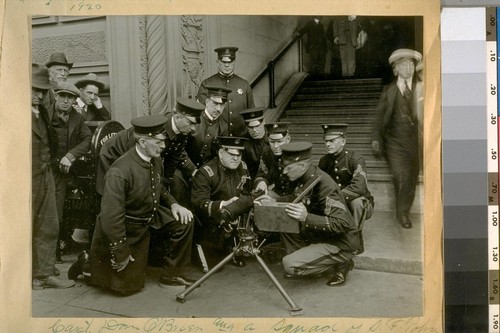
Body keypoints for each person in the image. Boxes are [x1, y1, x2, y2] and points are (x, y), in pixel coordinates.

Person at [88, 115, 195, 294]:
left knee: (184, 221)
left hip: (147, 217)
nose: (163, 146)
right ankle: (86, 264)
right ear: (143, 142)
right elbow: (111, 217)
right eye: (159, 142)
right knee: (127, 289)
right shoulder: (119, 171)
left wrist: (174, 204)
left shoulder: (156, 159)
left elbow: (159, 187)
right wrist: (120, 252)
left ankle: (171, 275)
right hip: (127, 228)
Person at [257, 142, 358, 286]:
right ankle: (309, 261)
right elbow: (295, 199)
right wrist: (274, 200)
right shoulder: (305, 177)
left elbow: (342, 224)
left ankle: (342, 262)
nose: (284, 172)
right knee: (284, 218)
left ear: (302, 166)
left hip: (340, 242)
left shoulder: (325, 186)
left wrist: (306, 217)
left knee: (289, 264)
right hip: (321, 235)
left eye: (288, 167)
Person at [95, 97, 204, 196]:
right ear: (177, 117)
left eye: (195, 124)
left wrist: (165, 184)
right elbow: (136, 161)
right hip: (114, 154)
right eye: (190, 123)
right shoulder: (158, 128)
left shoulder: (183, 131)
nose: (194, 129)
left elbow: (173, 157)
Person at [31, 63, 75, 290]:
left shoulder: (41, 112)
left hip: (45, 173)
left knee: (49, 224)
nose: (38, 95)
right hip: (25, 179)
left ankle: (43, 274)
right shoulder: (11, 112)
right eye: (33, 90)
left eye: (41, 90)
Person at [371, 48, 423, 229]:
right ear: (395, 70)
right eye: (403, 65)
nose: (408, 68)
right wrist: (376, 138)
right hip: (395, 143)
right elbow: (379, 116)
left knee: (411, 177)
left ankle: (405, 207)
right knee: (400, 176)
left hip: (417, 143)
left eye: (411, 64)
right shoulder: (389, 90)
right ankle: (402, 213)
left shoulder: (422, 87)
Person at [191, 136, 256, 267]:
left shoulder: (242, 167)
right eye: (232, 154)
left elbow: (247, 193)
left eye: (239, 155)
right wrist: (223, 204)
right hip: (211, 225)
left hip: (235, 221)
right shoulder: (205, 172)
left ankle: (234, 248)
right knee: (214, 267)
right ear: (221, 153)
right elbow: (198, 203)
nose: (236, 158)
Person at [48, 82, 92, 261]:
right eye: (63, 96)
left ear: (74, 100)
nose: (66, 101)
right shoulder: (43, 115)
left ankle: (55, 253)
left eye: (70, 97)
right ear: (56, 96)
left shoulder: (77, 117)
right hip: (44, 169)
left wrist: (71, 155)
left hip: (64, 172)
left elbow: (87, 139)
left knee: (58, 213)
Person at [318, 124, 374, 254]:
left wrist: (336, 198)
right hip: (337, 202)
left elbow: (359, 186)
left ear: (343, 141)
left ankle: (356, 237)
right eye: (326, 141)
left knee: (357, 203)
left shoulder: (355, 159)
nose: (327, 144)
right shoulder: (324, 161)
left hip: (358, 203)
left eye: (332, 141)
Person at [196, 46, 255, 137]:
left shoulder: (244, 85)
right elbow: (201, 114)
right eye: (223, 62)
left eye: (230, 62)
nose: (227, 65)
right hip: (216, 137)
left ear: (234, 62)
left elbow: (251, 113)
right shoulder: (207, 84)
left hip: (240, 137)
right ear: (217, 63)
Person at [254, 122, 294, 197]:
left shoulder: (297, 153)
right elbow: (262, 174)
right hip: (276, 195)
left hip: (294, 197)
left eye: (279, 141)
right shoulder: (267, 153)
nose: (275, 146)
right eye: (272, 142)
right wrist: (261, 182)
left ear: (288, 139)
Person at [240, 107, 268, 180]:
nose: (254, 130)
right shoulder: (243, 142)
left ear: (264, 122)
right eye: (250, 127)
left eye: (257, 126)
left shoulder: (273, 139)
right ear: (246, 126)